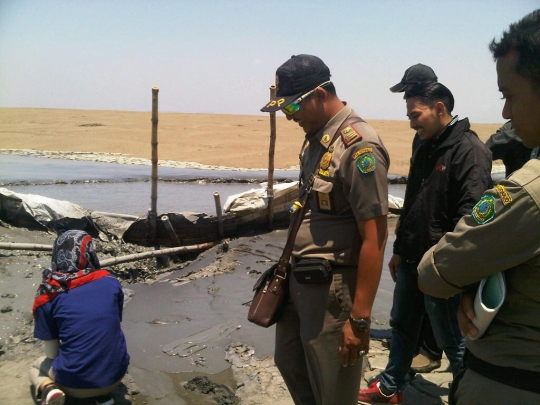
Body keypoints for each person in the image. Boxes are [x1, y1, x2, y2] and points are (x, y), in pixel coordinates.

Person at [418, 9, 540, 405]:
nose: (505, 113)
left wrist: (474, 278)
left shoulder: (527, 191)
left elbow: (434, 272)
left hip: (511, 381)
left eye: (509, 96)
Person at [260, 54, 390, 405]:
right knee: (291, 366)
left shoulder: (358, 145)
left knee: (333, 389)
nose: (290, 117)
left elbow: (376, 238)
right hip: (298, 284)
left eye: (294, 107)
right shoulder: (318, 138)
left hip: (332, 292)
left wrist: (359, 320)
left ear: (319, 94)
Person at [358, 82, 493, 404]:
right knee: (402, 326)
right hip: (411, 259)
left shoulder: (470, 151)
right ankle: (391, 387)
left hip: (442, 267)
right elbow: (413, 200)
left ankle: (469, 396)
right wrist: (400, 249)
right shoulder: (424, 142)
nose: (412, 122)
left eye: (416, 114)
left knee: (453, 341)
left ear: (440, 109)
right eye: (409, 115)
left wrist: (449, 270)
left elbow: (471, 218)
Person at [29, 230, 130, 405]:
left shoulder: (48, 295)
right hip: (117, 373)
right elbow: (113, 324)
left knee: (36, 367)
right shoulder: (111, 282)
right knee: (100, 345)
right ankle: (104, 397)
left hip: (76, 386)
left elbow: (52, 353)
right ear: (89, 253)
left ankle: (48, 388)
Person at [390, 63, 445, 375]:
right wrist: (404, 223)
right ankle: (416, 348)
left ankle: (431, 350)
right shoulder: (419, 134)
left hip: (438, 231)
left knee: (435, 299)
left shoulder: (450, 137)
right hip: (416, 227)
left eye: (410, 92)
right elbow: (414, 183)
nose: (405, 99)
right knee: (411, 299)